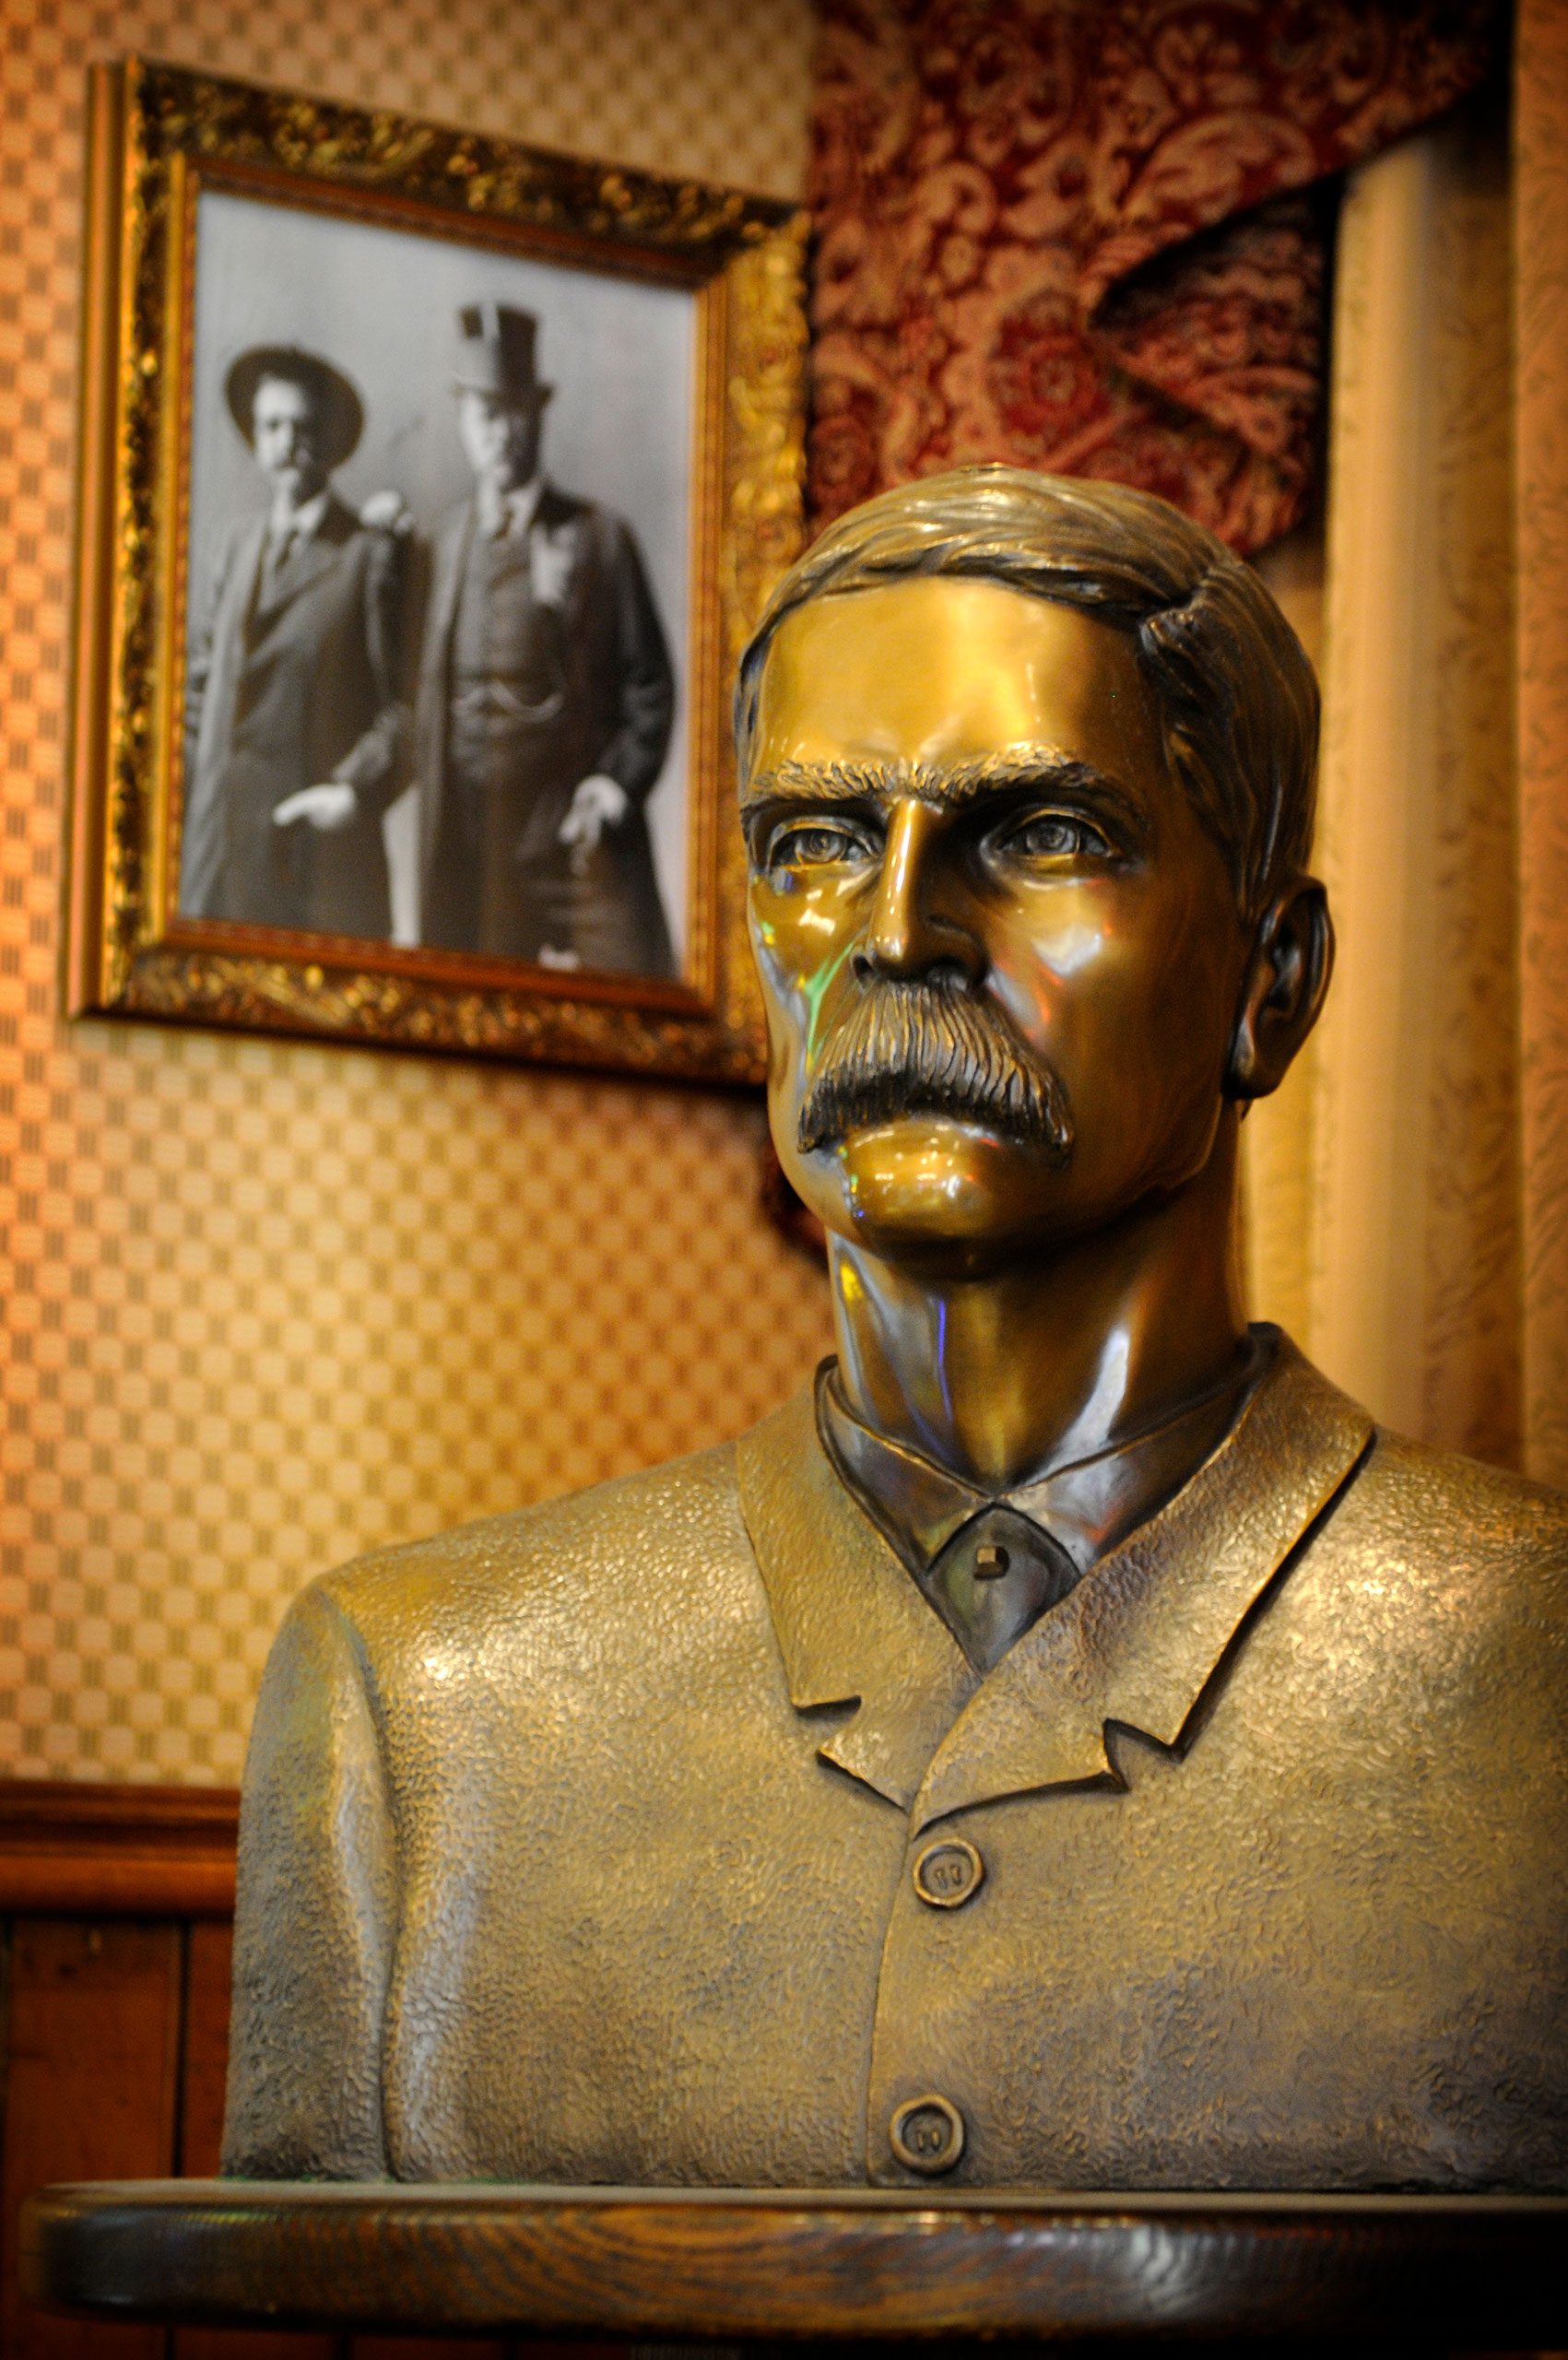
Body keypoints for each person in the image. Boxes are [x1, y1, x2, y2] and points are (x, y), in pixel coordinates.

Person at [223, 467, 1568, 2192]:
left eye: (1044, 834)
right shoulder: (413, 1712)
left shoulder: (1530, 1667)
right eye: (817, 845)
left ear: (1271, 983)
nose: (895, 936)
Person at [412, 303, 676, 974]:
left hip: (568, 829)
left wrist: (614, 786)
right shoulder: (440, 545)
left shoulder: (601, 538)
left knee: (618, 1020)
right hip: (471, 842)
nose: (500, 434)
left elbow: (650, 683)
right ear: (463, 424)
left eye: (514, 413)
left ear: (538, 415)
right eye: (484, 415)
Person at [180, 346, 407, 940]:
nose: (285, 443)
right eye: (271, 426)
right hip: (219, 859)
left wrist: (354, 790)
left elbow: (405, 708)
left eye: (303, 427)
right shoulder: (234, 548)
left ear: (332, 443)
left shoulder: (368, 554)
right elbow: (201, 694)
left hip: (317, 867)